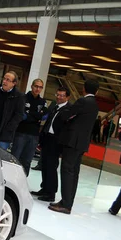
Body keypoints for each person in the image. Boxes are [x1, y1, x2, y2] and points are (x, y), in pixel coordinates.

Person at [49, 79, 100, 215]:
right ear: (97, 91)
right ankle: (68, 202)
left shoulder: (83, 101)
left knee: (67, 171)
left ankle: (65, 204)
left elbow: (66, 115)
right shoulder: (95, 104)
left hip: (72, 141)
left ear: (84, 89)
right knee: (74, 173)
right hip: (82, 143)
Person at [31, 87, 71, 202]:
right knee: (44, 164)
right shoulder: (54, 105)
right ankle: (44, 188)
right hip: (47, 138)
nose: (59, 97)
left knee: (51, 166)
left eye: (62, 95)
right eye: (57, 95)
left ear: (67, 97)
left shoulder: (69, 109)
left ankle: (51, 192)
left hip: (56, 141)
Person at [11, 79, 47, 175]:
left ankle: (23, 182)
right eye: (36, 86)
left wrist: (29, 115)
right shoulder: (23, 98)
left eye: (40, 87)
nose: (37, 89)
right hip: (21, 133)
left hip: (34, 135)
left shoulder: (43, 101)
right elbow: (21, 115)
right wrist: (36, 116)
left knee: (27, 161)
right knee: (15, 158)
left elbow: (43, 116)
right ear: (31, 86)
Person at [0, 71, 25, 151]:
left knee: (0, 156)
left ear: (14, 83)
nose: (4, 81)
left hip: (5, 133)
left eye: (8, 80)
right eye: (4, 79)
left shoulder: (18, 96)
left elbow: (19, 115)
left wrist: (9, 128)